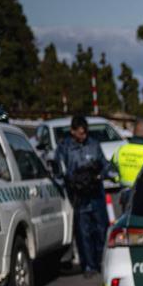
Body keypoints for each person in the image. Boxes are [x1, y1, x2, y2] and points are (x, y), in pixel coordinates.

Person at [56, 115, 113, 277]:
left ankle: (103, 262)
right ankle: (88, 266)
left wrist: (100, 174)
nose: (84, 136)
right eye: (80, 133)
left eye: (85, 133)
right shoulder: (64, 148)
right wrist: (71, 183)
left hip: (96, 193)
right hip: (79, 197)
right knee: (83, 232)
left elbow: (105, 165)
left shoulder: (94, 145)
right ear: (73, 131)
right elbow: (59, 173)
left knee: (101, 229)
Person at [112, 117, 143, 193]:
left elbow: (111, 171)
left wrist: (118, 179)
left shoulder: (120, 150)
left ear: (133, 132)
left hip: (123, 193)